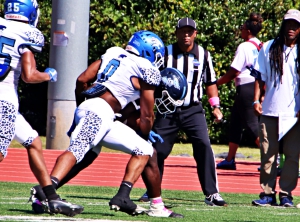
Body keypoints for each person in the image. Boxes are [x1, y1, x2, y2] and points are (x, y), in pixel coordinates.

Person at [34, 30, 185, 216]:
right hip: (100, 111)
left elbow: (82, 80)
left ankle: (125, 197)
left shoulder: (113, 52)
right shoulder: (147, 68)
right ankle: (45, 192)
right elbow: (146, 116)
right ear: (149, 51)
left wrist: (82, 108)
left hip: (101, 112)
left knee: (144, 150)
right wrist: (145, 131)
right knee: (78, 150)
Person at [0, 0, 83, 217]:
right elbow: (29, 75)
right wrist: (48, 75)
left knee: (33, 141)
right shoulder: (27, 33)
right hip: (4, 100)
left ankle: (51, 197)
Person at [139, 17, 227, 207]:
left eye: (190, 31)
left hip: (193, 110)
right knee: (156, 150)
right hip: (167, 110)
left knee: (204, 146)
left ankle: (211, 193)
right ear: (176, 33)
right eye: (182, 31)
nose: (186, 35)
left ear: (195, 33)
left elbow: (210, 82)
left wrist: (215, 107)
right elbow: (153, 80)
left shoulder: (203, 54)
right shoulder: (166, 53)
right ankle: (152, 189)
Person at [251, 9, 300, 207]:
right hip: (270, 109)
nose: (291, 28)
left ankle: (286, 194)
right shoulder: (269, 47)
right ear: (283, 25)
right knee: (268, 154)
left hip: (294, 114)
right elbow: (258, 75)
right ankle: (267, 193)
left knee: (292, 156)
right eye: (288, 24)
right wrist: (256, 100)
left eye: (295, 25)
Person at [216, 13, 263, 170]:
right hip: (257, 86)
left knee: (252, 125)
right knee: (235, 123)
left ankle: (271, 158)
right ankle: (230, 159)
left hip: (246, 88)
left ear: (248, 31)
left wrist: (216, 83)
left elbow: (234, 72)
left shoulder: (244, 47)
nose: (240, 31)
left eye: (242, 28)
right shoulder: (261, 46)